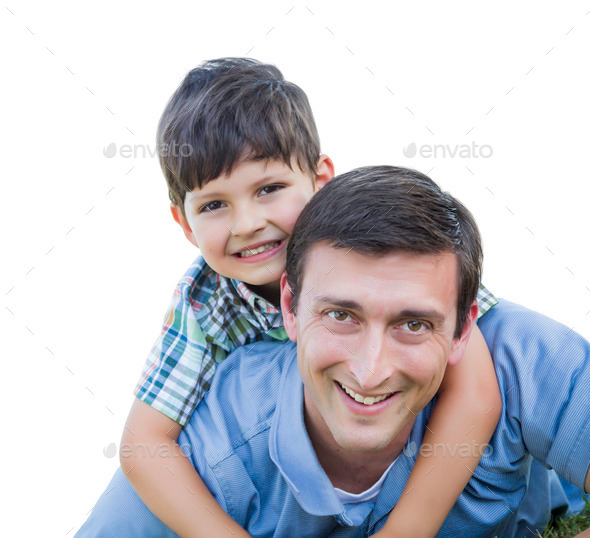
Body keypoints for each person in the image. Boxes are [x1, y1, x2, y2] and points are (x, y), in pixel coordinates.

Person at [83, 58, 502, 537]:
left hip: (400, 457)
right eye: (215, 205)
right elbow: (144, 443)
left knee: (516, 340)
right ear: (184, 222)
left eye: (270, 189)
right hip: (287, 486)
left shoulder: (386, 244)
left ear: (320, 180)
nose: (246, 224)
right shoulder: (204, 303)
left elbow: (476, 391)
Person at [78, 166, 590, 537]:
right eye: (342, 315)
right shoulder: (224, 435)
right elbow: (144, 449)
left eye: (413, 323)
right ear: (290, 308)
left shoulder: (518, 356)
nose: (370, 371)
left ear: (462, 328)